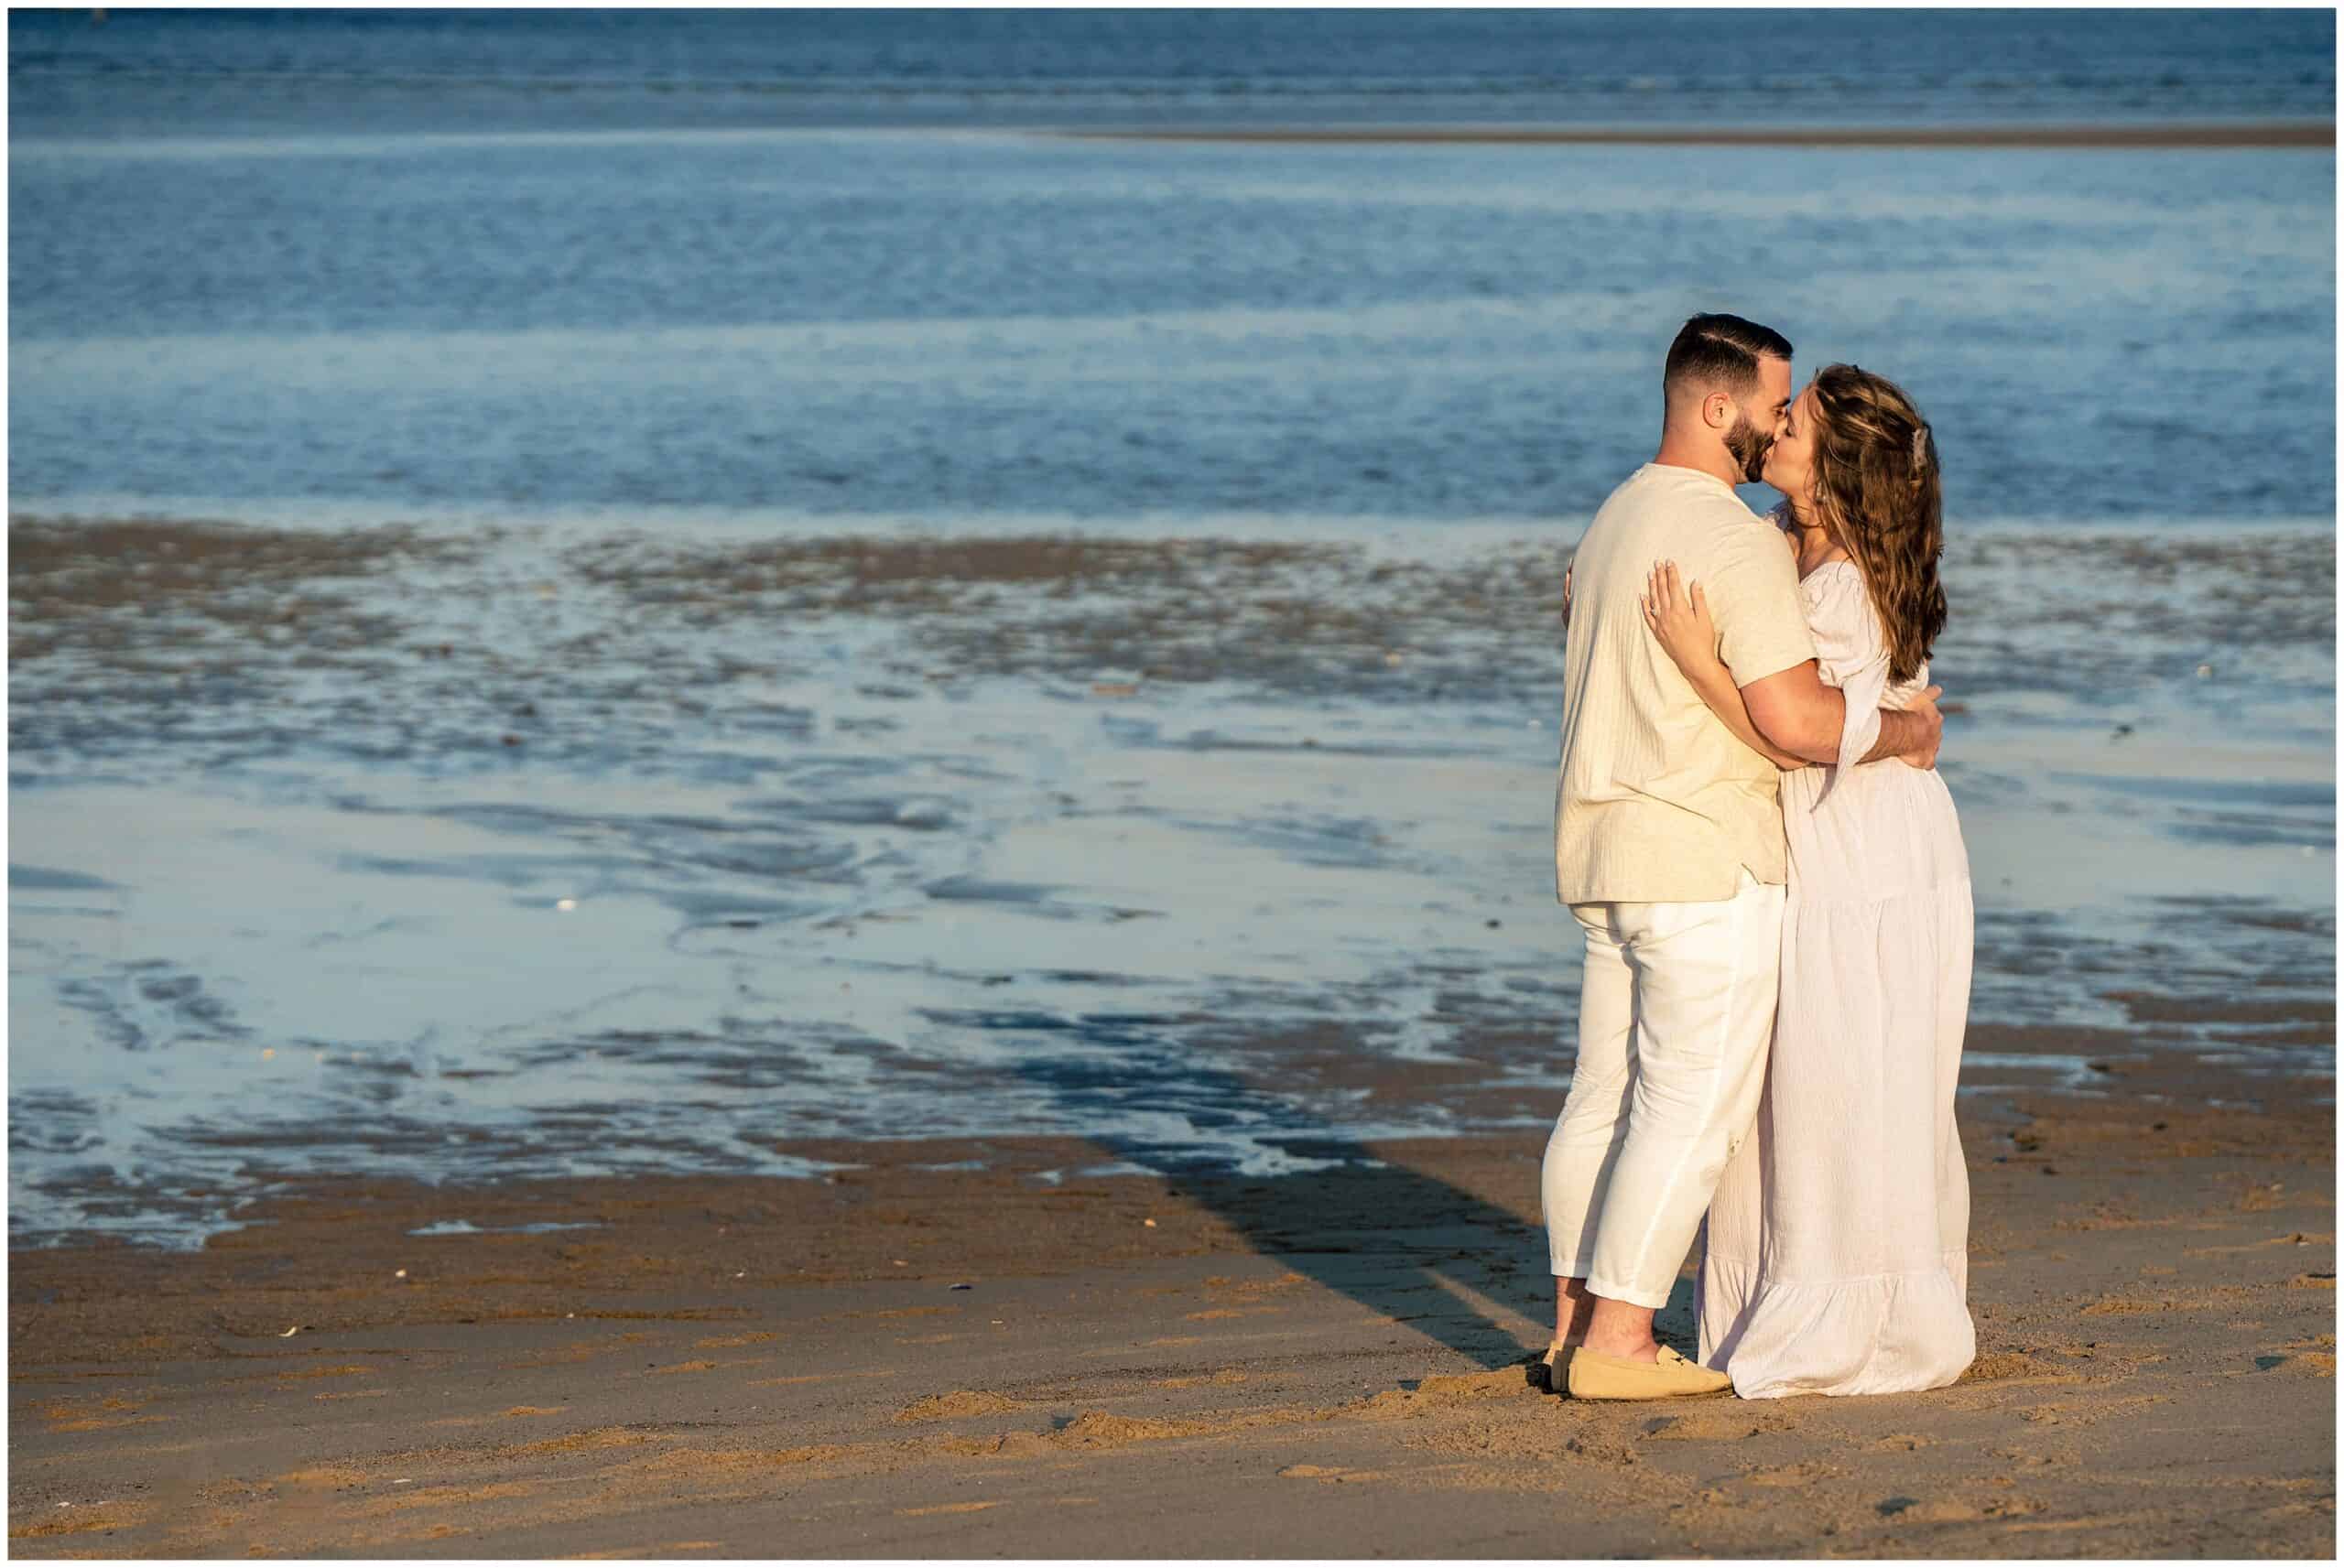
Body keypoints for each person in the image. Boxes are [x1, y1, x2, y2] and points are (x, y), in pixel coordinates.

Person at [1542, 316, 1943, 1401]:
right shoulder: (1728, 536)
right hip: (1703, 854)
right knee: (1686, 1105)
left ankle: (1576, 1324)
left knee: (1608, 1095)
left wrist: (1893, 729)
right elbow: (1797, 722)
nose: (1778, 424)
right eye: (1777, 404)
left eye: (1796, 416)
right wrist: (1906, 731)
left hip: (1620, 846)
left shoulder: (1619, 513)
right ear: (1718, 407)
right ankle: (1618, 1344)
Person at [1642, 363, 1977, 1398]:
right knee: (1794, 1082)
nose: (1773, 426)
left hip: (1865, 851)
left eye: (1795, 420)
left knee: (1849, 1074)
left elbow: (1796, 740)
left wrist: (1699, 663)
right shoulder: (1780, 547)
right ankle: (1764, 1300)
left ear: (1832, 470)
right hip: (1831, 835)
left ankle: (1858, 1310)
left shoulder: (1845, 585)